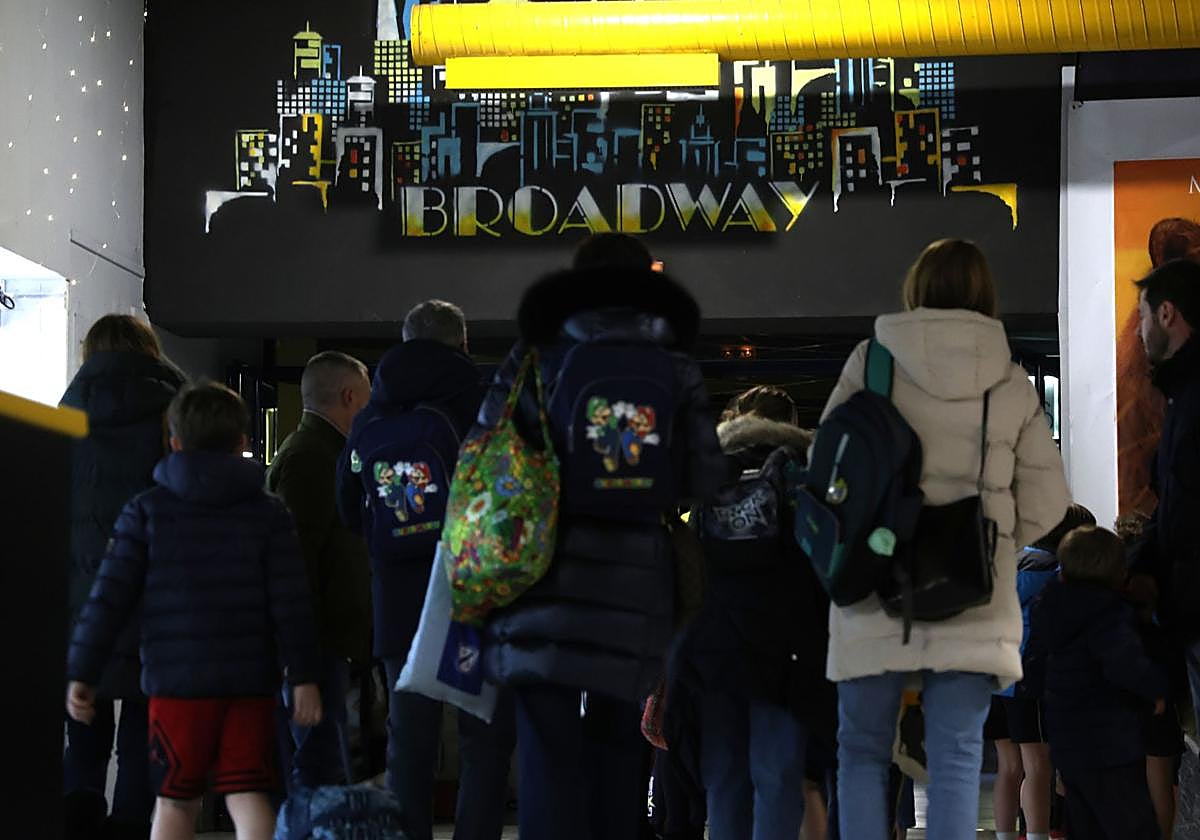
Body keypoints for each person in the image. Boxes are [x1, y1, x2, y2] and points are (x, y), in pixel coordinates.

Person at [819, 239, 1070, 840]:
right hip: (970, 592)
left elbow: (827, 469)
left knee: (860, 751)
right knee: (956, 759)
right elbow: (1049, 503)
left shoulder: (871, 364)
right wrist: (995, 537)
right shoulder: (1009, 382)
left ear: (915, 288)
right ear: (985, 294)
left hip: (874, 581)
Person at [474, 244, 724, 840]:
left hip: (538, 580)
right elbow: (706, 475)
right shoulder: (673, 365)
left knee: (545, 755)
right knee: (620, 752)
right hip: (635, 588)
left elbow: (487, 457)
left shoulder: (534, 358)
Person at [65, 382, 323, 840]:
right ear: (242, 443)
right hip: (249, 684)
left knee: (175, 801)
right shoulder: (269, 514)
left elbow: (109, 599)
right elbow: (292, 602)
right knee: (247, 796)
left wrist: (83, 672)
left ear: (174, 442)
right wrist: (303, 677)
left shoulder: (145, 512)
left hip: (176, 686)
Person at [337, 300, 515, 840]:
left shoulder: (372, 413)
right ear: (462, 343)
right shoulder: (484, 402)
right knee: (482, 733)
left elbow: (348, 508)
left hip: (397, 596)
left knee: (408, 739)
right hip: (469, 592)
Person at [668, 385, 833, 840]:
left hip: (714, 652)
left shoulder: (706, 475)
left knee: (725, 781)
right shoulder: (803, 475)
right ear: (792, 424)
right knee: (778, 779)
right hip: (788, 652)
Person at [60, 314, 186, 840]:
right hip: (154, 598)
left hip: (78, 602)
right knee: (142, 727)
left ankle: (76, 821)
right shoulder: (175, 413)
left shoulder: (62, 416)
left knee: (83, 724)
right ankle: (132, 825)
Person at [266, 351, 373, 789]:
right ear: (349, 396)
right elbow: (296, 562)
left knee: (326, 764)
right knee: (318, 769)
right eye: (366, 400)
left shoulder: (319, 452)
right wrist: (301, 663)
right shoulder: (313, 458)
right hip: (316, 645)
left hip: (323, 643)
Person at [1023, 526, 1166, 839]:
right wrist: (1155, 690)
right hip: (1110, 743)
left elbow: (1033, 669)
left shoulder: (1049, 607)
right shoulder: (1106, 614)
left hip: (1067, 741)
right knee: (1131, 826)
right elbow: (1125, 664)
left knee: (1085, 823)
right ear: (1118, 572)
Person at [987, 504, 1095, 840]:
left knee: (1008, 768)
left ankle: (1004, 834)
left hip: (993, 678)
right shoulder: (1055, 571)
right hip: (1027, 682)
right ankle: (1037, 835)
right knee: (1038, 766)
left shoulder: (1009, 561)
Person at [1128, 258, 1200, 740]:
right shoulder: (1182, 393)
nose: (1138, 332)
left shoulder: (1192, 395)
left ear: (1168, 314)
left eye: (1144, 317)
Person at [1118, 510, 1183, 840]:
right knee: (1161, 778)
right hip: (1161, 696)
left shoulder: (1113, 596)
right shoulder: (1167, 592)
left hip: (1122, 700)